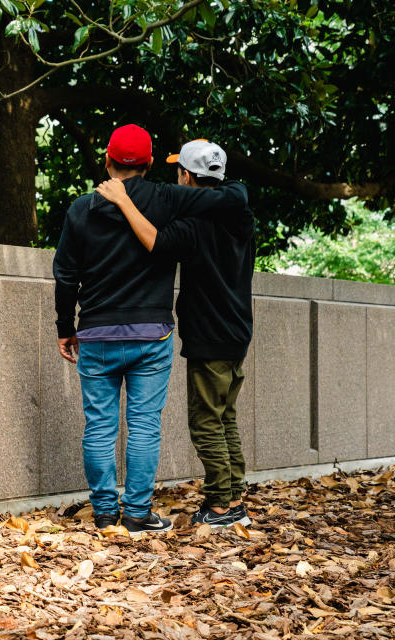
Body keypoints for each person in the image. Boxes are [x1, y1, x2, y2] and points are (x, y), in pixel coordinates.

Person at [53, 124, 247, 536]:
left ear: (106, 160)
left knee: (100, 424)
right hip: (151, 334)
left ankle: (105, 511)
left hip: (96, 334)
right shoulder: (166, 197)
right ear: (150, 163)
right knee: (144, 425)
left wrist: (64, 326)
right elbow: (230, 196)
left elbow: (66, 275)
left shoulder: (81, 209)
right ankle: (138, 513)